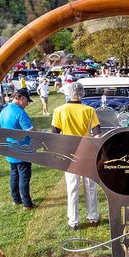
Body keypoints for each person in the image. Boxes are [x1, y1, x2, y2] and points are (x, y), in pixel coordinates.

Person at [51, 82, 102, 229]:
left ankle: (73, 221)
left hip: (68, 153)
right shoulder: (89, 110)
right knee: (90, 186)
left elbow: (55, 135)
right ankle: (93, 216)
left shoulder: (58, 110)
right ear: (82, 93)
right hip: (86, 151)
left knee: (72, 188)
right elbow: (97, 134)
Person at [0, 89, 37, 209]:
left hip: (9, 149)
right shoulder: (20, 113)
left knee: (14, 174)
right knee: (24, 176)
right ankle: (27, 203)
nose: (27, 104)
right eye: (27, 101)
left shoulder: (4, 110)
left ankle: (16, 199)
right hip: (22, 150)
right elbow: (30, 131)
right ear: (21, 99)